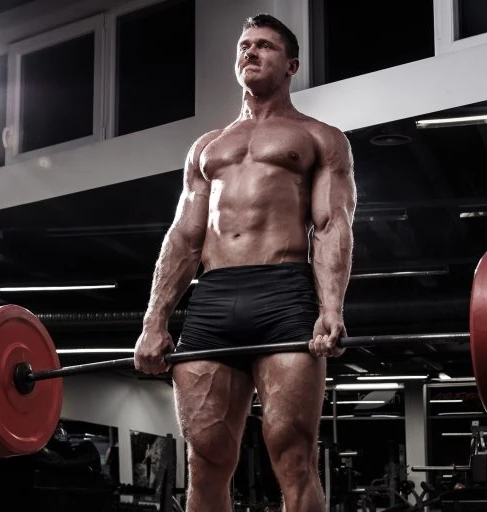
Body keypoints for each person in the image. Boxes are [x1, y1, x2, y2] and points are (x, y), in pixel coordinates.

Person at [133, 13, 356, 512]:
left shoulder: (319, 138)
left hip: (284, 296)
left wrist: (332, 309)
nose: (250, 53)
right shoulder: (207, 148)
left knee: (292, 456)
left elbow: (330, 226)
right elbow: (185, 236)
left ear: (291, 64)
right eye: (244, 46)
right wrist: (155, 321)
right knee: (205, 463)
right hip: (212, 301)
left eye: (265, 46)